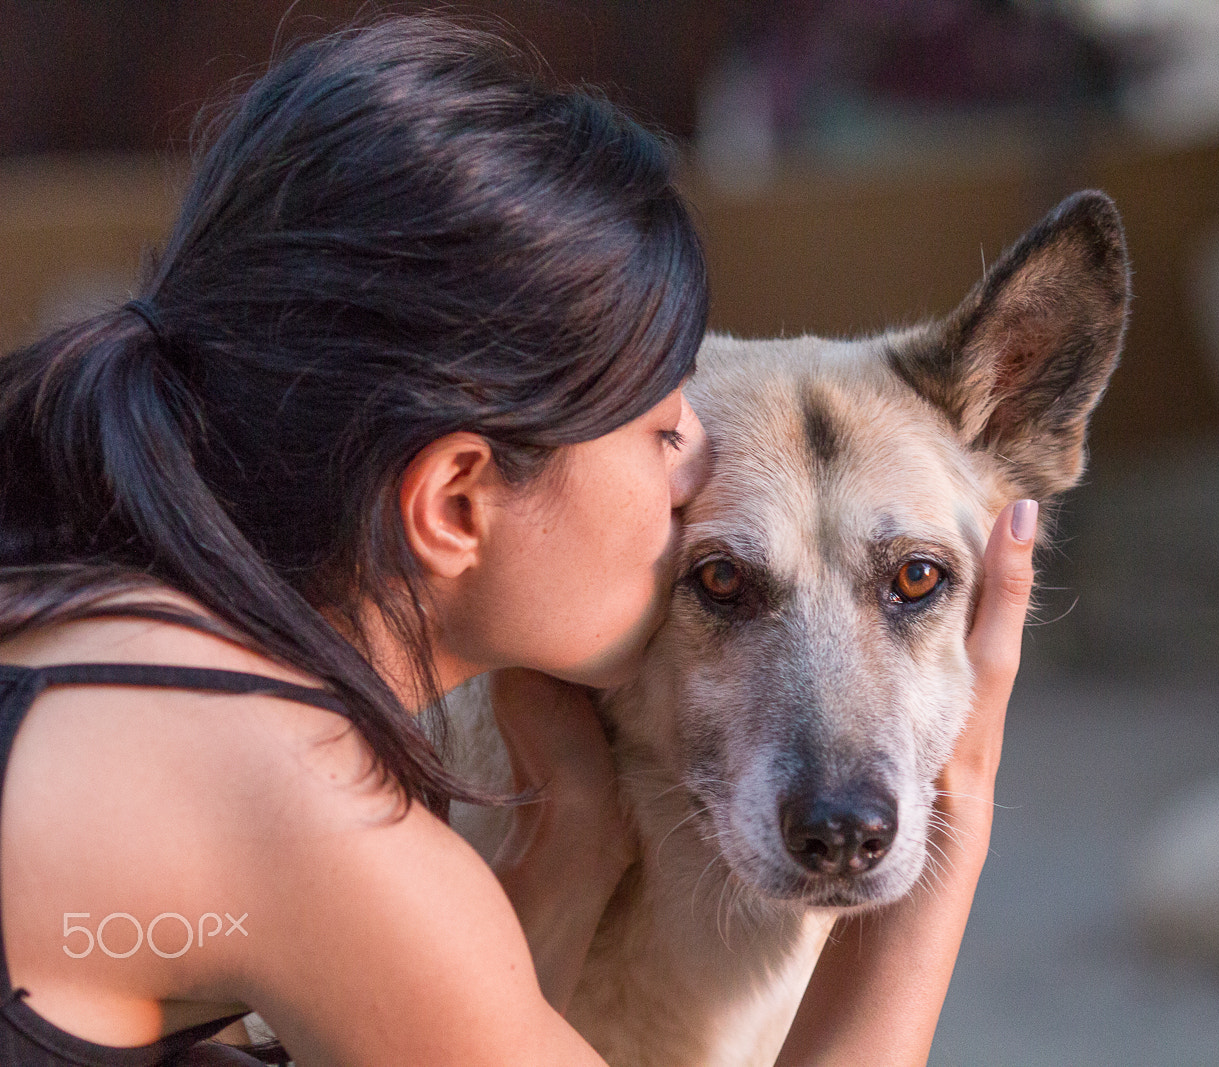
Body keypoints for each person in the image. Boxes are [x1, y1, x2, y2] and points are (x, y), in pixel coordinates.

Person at [0, 16, 1036, 1067]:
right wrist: (964, 800)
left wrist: (566, 847)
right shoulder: (296, 806)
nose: (692, 476)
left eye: (912, 581)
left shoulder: (94, 609)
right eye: (662, 431)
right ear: (455, 499)